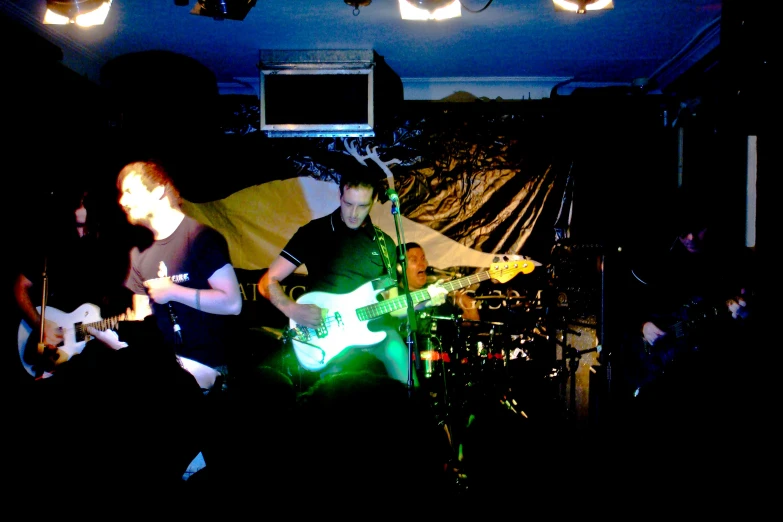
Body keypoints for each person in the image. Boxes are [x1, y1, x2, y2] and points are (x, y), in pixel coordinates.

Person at [257, 164, 446, 389]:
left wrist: (424, 301)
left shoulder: (385, 245)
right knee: (336, 396)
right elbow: (267, 281)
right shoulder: (313, 233)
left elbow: (394, 306)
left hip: (374, 332)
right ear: (339, 195)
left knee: (405, 375)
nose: (353, 214)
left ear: (375, 200)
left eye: (362, 206)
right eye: (348, 204)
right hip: (328, 334)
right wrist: (291, 309)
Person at [116, 159, 243, 387]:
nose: (122, 201)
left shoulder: (200, 238)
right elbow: (142, 316)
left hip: (208, 371)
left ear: (158, 191)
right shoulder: (139, 253)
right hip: (163, 372)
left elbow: (232, 303)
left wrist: (173, 291)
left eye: (129, 192)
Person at [11, 185, 133, 382]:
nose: (81, 206)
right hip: (56, 340)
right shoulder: (54, 245)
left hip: (93, 347)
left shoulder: (111, 249)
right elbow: (19, 286)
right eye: (79, 202)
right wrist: (40, 324)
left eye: (86, 203)